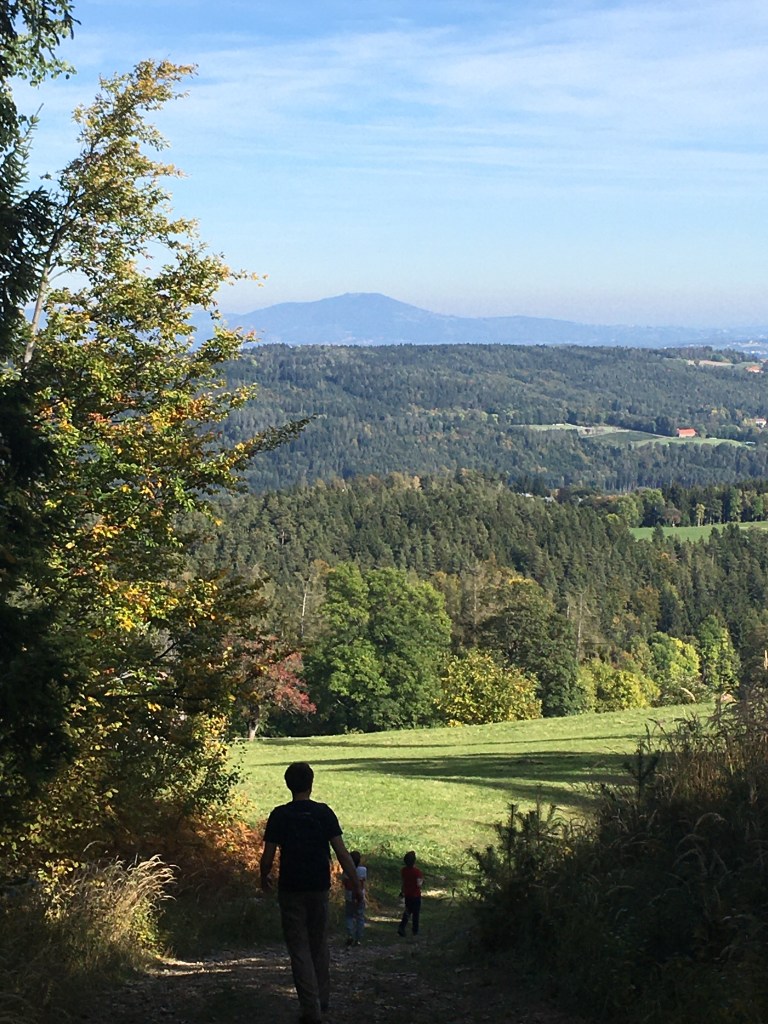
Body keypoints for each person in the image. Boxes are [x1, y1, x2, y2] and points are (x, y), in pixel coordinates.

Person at [260, 761, 361, 1024]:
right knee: (319, 944)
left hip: (291, 888)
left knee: (299, 949)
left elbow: (268, 856)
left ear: (288, 784)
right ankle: (323, 999)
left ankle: (310, 1008)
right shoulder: (324, 813)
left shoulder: (279, 815)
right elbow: (341, 851)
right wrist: (356, 884)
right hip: (319, 887)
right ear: (311, 783)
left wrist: (264, 876)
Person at [341, 849, 367, 946]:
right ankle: (358, 938)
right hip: (360, 895)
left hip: (349, 895)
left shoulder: (346, 871)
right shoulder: (363, 870)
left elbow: (344, 882)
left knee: (349, 916)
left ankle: (350, 935)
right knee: (360, 916)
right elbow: (364, 881)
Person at [397, 850, 423, 937]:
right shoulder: (417, 872)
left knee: (407, 911)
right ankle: (415, 931)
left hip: (408, 895)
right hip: (415, 895)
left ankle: (402, 926)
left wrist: (402, 892)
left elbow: (404, 882)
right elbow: (419, 884)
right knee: (416, 914)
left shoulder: (403, 870)